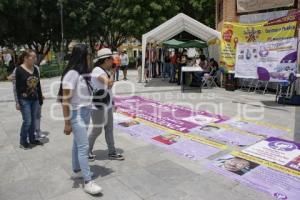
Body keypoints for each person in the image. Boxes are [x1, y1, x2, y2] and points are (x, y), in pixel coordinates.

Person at [58, 44, 102, 195]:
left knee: (78, 143)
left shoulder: (83, 74)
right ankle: (88, 181)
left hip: (85, 112)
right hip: (76, 113)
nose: (91, 58)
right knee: (83, 147)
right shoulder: (72, 74)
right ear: (83, 56)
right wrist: (67, 122)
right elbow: (65, 100)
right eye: (89, 55)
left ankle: (77, 169)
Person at [88, 48, 124, 161]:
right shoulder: (97, 70)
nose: (113, 61)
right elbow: (108, 84)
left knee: (109, 129)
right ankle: (86, 151)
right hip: (98, 107)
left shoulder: (105, 70)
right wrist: (112, 74)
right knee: (97, 130)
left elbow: (108, 89)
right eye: (111, 59)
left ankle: (112, 152)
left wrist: (112, 103)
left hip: (106, 105)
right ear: (105, 60)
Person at [11, 54, 46, 139]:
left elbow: (38, 85)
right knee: (27, 121)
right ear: (25, 58)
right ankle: (23, 140)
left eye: (35, 57)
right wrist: (17, 102)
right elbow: (15, 88)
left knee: (34, 120)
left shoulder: (36, 68)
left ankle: (32, 138)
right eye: (33, 57)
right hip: (24, 100)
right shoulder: (17, 70)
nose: (35, 59)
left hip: (35, 99)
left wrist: (40, 98)